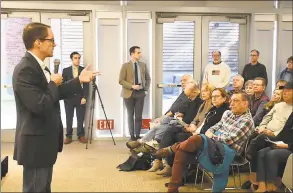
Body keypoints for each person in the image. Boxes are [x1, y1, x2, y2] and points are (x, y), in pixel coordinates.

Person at [12, 22, 98, 192]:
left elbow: (55, 93)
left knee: (43, 187)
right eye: (51, 40)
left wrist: (79, 81)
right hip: (36, 142)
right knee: (36, 188)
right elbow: (40, 104)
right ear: (38, 42)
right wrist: (52, 82)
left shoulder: (37, 65)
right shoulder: (25, 69)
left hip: (44, 140)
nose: (55, 44)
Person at [155, 91, 254, 193]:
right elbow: (215, 127)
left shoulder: (247, 120)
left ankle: (173, 148)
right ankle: (172, 189)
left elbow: (229, 140)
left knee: (197, 138)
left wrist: (212, 136)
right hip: (215, 145)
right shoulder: (228, 113)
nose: (231, 104)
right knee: (182, 152)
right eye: (231, 100)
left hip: (228, 151)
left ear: (245, 103)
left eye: (236, 101)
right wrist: (211, 133)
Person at [119, 46, 151, 141]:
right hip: (128, 93)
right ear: (132, 54)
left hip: (140, 93)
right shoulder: (125, 65)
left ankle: (137, 135)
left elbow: (148, 78)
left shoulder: (143, 65)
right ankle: (132, 136)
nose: (140, 54)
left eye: (140, 52)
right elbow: (121, 80)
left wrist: (146, 90)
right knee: (130, 114)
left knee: (138, 116)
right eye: (138, 53)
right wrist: (132, 86)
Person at [62, 52, 89, 144]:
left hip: (80, 97)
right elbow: (63, 86)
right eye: (75, 58)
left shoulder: (83, 70)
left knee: (80, 118)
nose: (77, 60)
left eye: (78, 58)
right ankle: (68, 136)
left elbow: (86, 85)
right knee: (69, 118)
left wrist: (85, 97)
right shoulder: (66, 71)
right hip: (69, 98)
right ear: (72, 59)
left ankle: (80, 135)